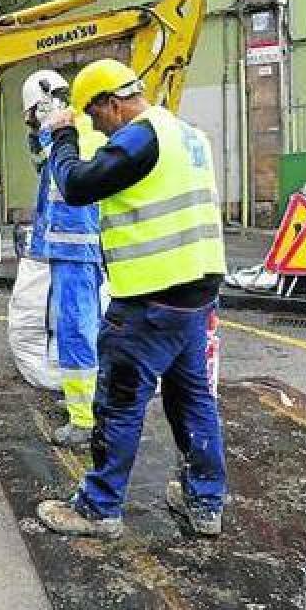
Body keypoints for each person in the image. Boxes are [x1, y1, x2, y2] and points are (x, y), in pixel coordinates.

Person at [35, 58, 228, 539]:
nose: (96, 126)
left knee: (119, 403)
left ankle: (99, 508)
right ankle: (205, 503)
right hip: (197, 293)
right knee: (193, 399)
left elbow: (78, 185)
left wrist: (61, 136)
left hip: (150, 298)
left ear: (112, 103)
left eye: (94, 115)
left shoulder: (143, 136)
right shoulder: (187, 135)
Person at [22, 70, 108, 447]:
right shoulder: (82, 134)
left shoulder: (69, 137)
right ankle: (87, 403)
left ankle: (83, 419)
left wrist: (48, 125)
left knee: (76, 329)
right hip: (78, 249)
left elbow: (53, 166)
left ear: (44, 105)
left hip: (75, 249)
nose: (32, 126)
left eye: (31, 116)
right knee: (86, 326)